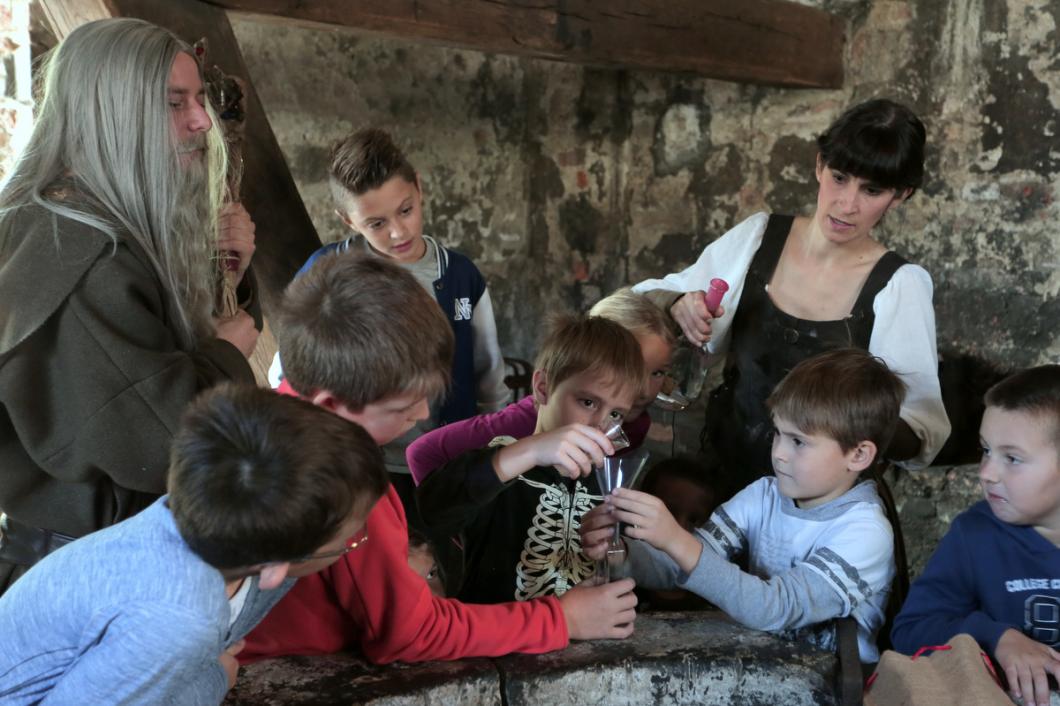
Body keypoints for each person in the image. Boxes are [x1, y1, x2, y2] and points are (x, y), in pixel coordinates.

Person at [242, 253, 638, 665]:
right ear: (333, 404)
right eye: (403, 407)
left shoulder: (272, 422)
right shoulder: (343, 480)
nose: (420, 417)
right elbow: (410, 633)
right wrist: (559, 619)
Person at [0, 18, 260, 591]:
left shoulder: (94, 220)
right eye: (174, 103)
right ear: (110, 113)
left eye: (199, 100)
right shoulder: (77, 249)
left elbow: (169, 339)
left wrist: (228, 272)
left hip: (108, 559)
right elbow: (161, 440)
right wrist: (229, 353)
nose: (201, 121)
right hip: (81, 577)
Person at [633, 98, 949, 499]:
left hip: (818, 512)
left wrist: (851, 423)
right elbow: (643, 298)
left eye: (871, 190)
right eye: (839, 177)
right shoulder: (758, 239)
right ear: (819, 165)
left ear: (900, 196)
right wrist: (677, 303)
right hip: (722, 482)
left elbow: (922, 430)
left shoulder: (899, 286)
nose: (847, 204)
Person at [0, 385, 388, 705]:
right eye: (350, 540)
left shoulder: (185, 513)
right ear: (271, 567)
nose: (351, 545)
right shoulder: (180, 617)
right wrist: (214, 678)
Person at [583, 349, 903, 663]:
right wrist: (619, 554)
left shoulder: (865, 532)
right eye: (779, 433)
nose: (779, 453)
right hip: (764, 665)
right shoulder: (763, 496)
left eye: (799, 442)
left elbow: (774, 608)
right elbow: (683, 563)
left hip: (831, 685)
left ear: (858, 455)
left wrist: (675, 538)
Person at [268, 127, 508, 516]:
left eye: (406, 209)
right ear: (347, 220)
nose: (399, 232)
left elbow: (489, 374)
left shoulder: (461, 275)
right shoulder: (327, 273)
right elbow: (286, 373)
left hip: (446, 462)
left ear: (419, 187)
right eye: (376, 223)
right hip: (361, 468)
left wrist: (495, 446)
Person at [416, 314, 646, 604]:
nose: (599, 425)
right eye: (587, 402)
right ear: (542, 388)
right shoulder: (502, 464)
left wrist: (615, 552)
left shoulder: (607, 483)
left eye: (616, 414)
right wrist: (529, 451)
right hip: (501, 642)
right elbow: (433, 509)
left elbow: (628, 567)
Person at [891, 365, 1060, 706]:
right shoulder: (974, 535)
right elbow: (909, 632)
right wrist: (995, 637)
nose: (986, 473)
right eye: (985, 450)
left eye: (1012, 458)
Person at [406, 287, 675, 485]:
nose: (642, 389)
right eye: (630, 365)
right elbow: (424, 453)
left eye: (657, 372)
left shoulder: (634, 425)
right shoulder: (522, 424)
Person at [634, 457, 718, 611]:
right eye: (667, 513)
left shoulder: (712, 598)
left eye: (693, 520)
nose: (678, 528)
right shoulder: (623, 585)